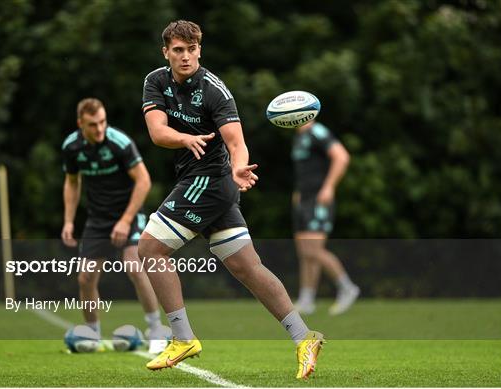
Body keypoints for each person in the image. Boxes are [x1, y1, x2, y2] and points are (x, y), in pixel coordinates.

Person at [138, 20, 323, 379]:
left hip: (209, 181)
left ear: (200, 50)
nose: (186, 56)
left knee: (149, 249)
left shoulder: (215, 91)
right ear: (166, 53)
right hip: (200, 181)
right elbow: (158, 132)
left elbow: (236, 142)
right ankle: (305, 337)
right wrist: (183, 140)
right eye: (178, 50)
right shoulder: (155, 81)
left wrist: (239, 169)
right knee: (246, 268)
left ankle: (182, 337)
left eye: (192, 49)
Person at [61, 98, 171, 353]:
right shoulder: (72, 147)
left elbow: (144, 181)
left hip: (129, 215)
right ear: (81, 124)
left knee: (133, 265)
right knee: (85, 277)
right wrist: (68, 220)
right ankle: (93, 334)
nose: (99, 129)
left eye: (102, 122)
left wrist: (124, 221)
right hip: (98, 219)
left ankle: (155, 330)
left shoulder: (119, 142)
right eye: (92, 125)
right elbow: (72, 182)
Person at [292, 119, 360, 315]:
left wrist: (329, 187)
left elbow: (341, 157)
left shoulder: (318, 131)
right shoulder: (299, 136)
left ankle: (347, 288)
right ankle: (306, 300)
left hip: (318, 200)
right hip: (303, 201)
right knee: (305, 252)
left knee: (314, 250)